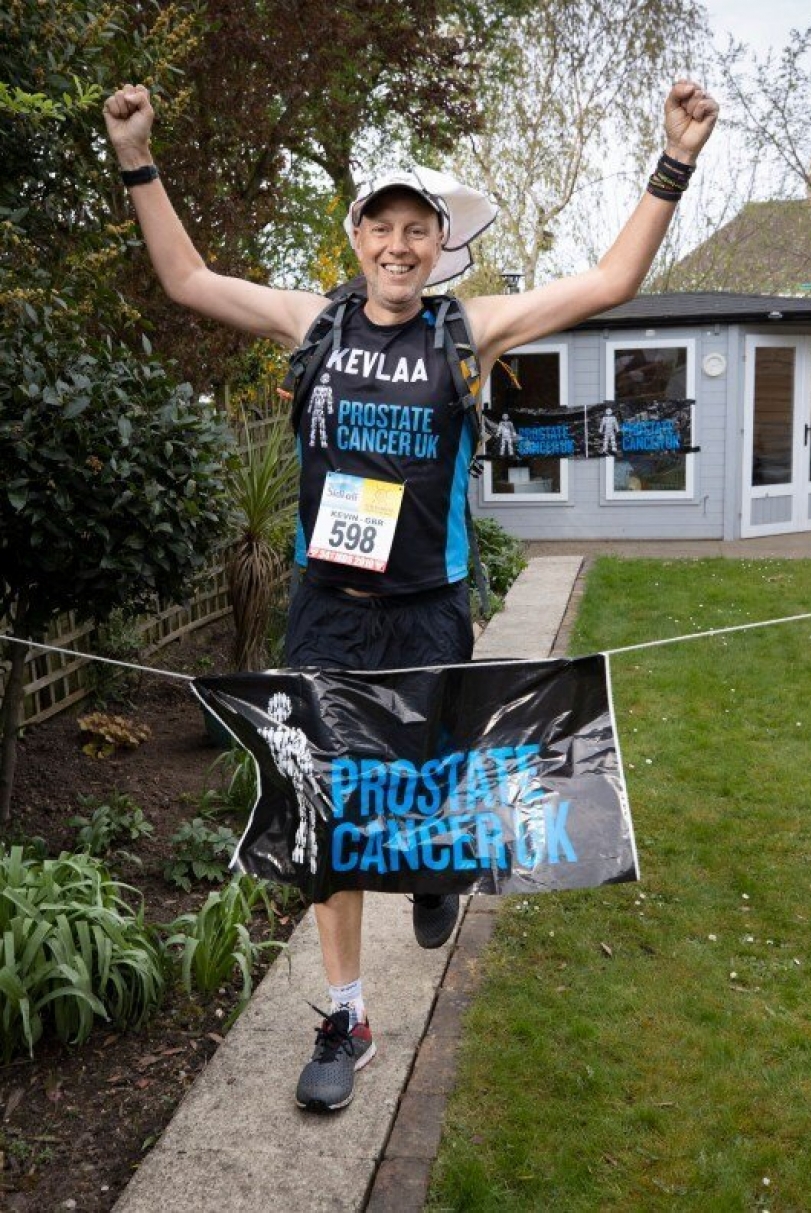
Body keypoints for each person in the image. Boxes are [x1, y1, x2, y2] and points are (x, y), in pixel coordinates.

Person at [103, 78, 718, 1113]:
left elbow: (611, 280)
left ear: (439, 245)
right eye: (381, 227)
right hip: (329, 609)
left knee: (424, 788)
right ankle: (347, 1016)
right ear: (357, 239)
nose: (397, 245)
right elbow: (187, 277)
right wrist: (135, 155)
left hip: (429, 607)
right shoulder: (312, 323)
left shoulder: (468, 330)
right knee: (334, 812)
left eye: (416, 229)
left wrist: (676, 157)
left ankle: (433, 869)